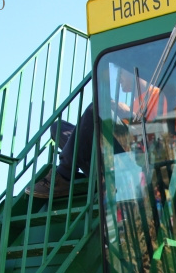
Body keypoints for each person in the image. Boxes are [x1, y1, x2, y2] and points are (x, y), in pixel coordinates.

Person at [30, 69, 164, 198]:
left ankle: (64, 174)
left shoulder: (158, 96)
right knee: (58, 127)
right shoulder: (134, 103)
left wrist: (129, 114)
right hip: (112, 152)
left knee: (95, 109)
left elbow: (162, 136)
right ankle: (93, 169)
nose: (118, 78)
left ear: (133, 70)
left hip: (136, 159)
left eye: (121, 72)